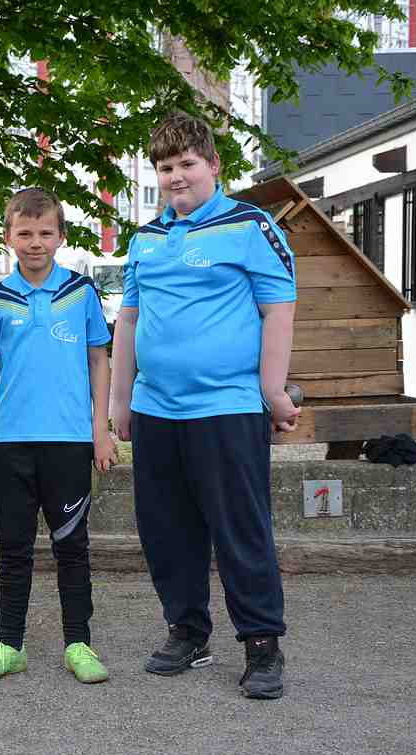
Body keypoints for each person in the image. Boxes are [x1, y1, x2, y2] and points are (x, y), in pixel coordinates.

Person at [110, 112, 300, 700]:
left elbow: (278, 310)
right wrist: (120, 401)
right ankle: (188, 632)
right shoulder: (144, 240)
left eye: (187, 164)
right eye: (165, 167)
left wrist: (273, 391)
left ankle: (262, 645)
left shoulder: (251, 226)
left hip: (227, 406)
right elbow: (129, 321)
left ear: (214, 165)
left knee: (240, 529)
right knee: (166, 530)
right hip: (156, 410)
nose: (176, 176)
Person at [0, 188, 115, 685]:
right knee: (13, 547)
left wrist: (100, 429)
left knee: (71, 546)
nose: (35, 242)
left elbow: (99, 360)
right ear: (8, 236)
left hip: (70, 441)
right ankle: (10, 645)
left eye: (45, 233)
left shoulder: (81, 293)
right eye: (25, 233)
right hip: (12, 442)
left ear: (61, 236)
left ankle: (79, 643)